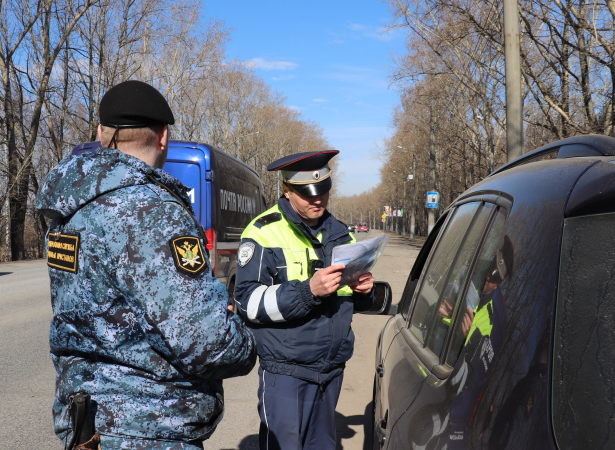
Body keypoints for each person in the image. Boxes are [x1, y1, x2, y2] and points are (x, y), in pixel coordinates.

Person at [36, 80, 256, 450]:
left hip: (86, 424)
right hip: (149, 429)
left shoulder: (68, 209)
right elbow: (206, 342)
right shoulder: (153, 211)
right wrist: (244, 338)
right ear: (163, 136)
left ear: (101, 133)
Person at [233, 150, 376, 450]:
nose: (318, 200)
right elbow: (247, 303)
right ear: (286, 190)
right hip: (286, 375)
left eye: (323, 191)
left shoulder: (341, 235)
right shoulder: (263, 232)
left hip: (331, 372)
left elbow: (346, 300)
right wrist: (308, 291)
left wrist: (363, 291)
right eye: (307, 193)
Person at [448, 236, 514, 449]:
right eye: (487, 270)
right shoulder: (466, 280)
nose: (487, 279)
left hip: (456, 405)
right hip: (436, 378)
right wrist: (443, 314)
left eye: (494, 278)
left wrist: (467, 339)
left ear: (501, 282)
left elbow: (479, 377)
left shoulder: (496, 321)